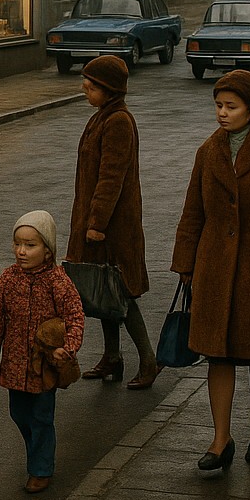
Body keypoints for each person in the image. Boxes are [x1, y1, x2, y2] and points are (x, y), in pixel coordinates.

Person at [171, 69, 250, 471]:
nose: (222, 114)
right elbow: (193, 211)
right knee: (218, 356)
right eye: (218, 105)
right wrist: (186, 263)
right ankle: (220, 439)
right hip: (212, 271)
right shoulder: (208, 152)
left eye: (231, 106)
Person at [67, 55, 157, 389]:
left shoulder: (118, 121)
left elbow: (111, 178)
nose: (84, 91)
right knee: (102, 291)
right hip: (97, 223)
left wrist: (97, 223)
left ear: (108, 89)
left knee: (120, 294)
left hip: (112, 229)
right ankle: (112, 358)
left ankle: (149, 360)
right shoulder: (103, 116)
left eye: (90, 87)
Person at [0, 211, 85, 494]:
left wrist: (69, 347)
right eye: (18, 244)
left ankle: (40, 468)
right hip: (15, 363)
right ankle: (37, 453)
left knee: (41, 416)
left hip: (44, 366)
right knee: (19, 414)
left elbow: (75, 316)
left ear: (47, 249)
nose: (21, 251)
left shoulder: (58, 282)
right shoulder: (8, 279)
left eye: (30, 245)